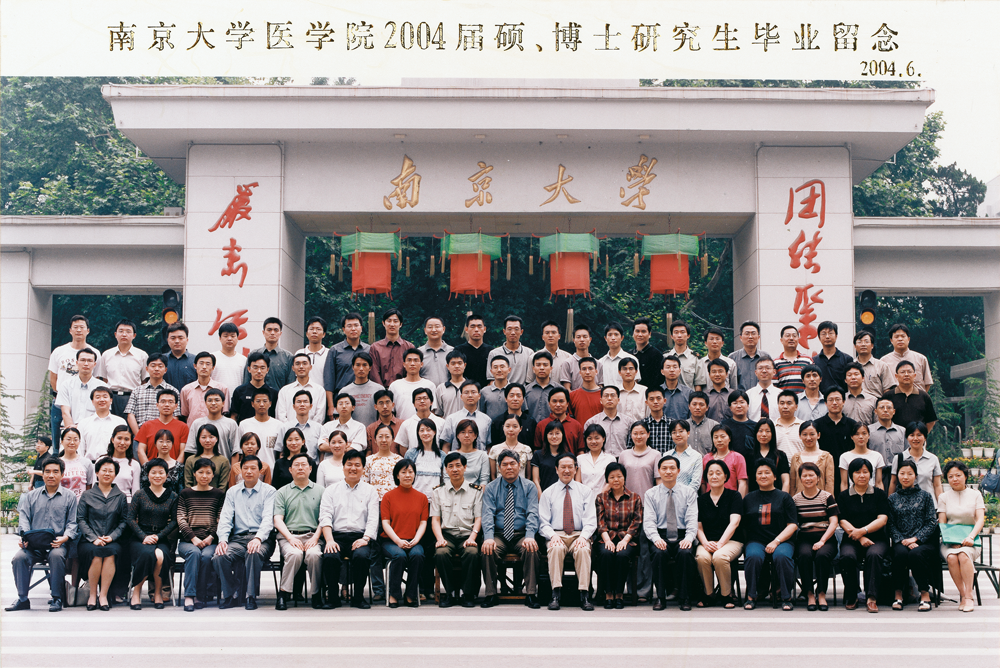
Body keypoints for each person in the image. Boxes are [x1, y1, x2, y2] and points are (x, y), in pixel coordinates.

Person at [6, 457, 78, 612]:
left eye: (55, 472)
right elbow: (24, 519)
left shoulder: (70, 497)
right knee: (19, 558)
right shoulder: (30, 496)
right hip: (33, 545)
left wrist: (65, 538)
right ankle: (23, 599)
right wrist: (24, 538)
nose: (51, 475)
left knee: (56, 556)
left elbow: (73, 523)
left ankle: (57, 598)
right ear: (42, 474)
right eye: (47, 472)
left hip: (57, 544)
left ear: (62, 474)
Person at [213, 455, 277, 610]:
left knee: (253, 553)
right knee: (219, 556)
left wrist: (258, 538)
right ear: (240, 470)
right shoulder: (232, 492)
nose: (249, 471)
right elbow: (225, 518)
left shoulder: (269, 491)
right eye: (245, 468)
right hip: (238, 539)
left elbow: (268, 519)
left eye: (253, 468)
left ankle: (250, 596)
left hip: (262, 539)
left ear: (260, 471)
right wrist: (222, 540)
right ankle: (231, 594)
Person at [318, 448, 379, 609]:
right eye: (349, 464)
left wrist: (365, 539)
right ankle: (333, 597)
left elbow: (373, 519)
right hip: (336, 536)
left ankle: (358, 597)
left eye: (357, 465)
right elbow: (325, 517)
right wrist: (329, 540)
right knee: (330, 556)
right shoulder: (331, 490)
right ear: (343, 466)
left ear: (363, 468)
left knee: (361, 556)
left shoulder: (370, 491)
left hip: (360, 536)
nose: (353, 468)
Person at [480, 450, 541, 609]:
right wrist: (488, 537)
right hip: (499, 534)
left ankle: (531, 594)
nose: (509, 467)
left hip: (521, 534)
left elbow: (533, 513)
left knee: (531, 548)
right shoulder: (491, 488)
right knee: (488, 549)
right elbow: (487, 514)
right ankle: (491, 594)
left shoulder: (529, 486)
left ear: (519, 465)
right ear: (499, 467)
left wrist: (530, 535)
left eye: (513, 463)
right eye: (505, 464)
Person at [538, 453, 596, 611]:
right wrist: (552, 536)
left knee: (583, 550)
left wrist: (583, 537)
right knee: (555, 549)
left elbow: (591, 520)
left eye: (570, 467)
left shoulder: (585, 491)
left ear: (576, 469)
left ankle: (584, 595)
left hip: (579, 534)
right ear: (556, 469)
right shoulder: (548, 492)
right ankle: (555, 594)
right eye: (563, 467)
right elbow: (543, 521)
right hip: (557, 534)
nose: (567, 470)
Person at [741, 459, 798, 610]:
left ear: (775, 476)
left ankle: (785, 597)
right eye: (759, 473)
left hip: (782, 540)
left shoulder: (784, 497)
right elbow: (744, 525)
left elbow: (792, 525)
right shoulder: (748, 498)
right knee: (753, 556)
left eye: (767, 472)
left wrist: (776, 541)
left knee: (782, 556)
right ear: (755, 477)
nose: (763, 476)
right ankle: (751, 596)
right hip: (756, 540)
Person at [644, 455, 699, 610]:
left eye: (672, 468)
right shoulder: (650, 494)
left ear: (678, 471)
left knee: (685, 553)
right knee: (658, 553)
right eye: (664, 468)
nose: (668, 471)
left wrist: (689, 538)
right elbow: (649, 521)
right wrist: (656, 539)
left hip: (682, 535)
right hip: (661, 535)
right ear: (659, 471)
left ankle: (685, 597)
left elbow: (692, 519)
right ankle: (661, 597)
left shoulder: (689, 493)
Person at [273, 452, 326, 610]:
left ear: (310, 469)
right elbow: (277, 519)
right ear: (290, 470)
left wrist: (315, 538)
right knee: (294, 554)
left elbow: (324, 519)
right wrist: (290, 538)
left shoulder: (321, 491)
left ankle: (316, 594)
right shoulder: (282, 492)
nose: (300, 468)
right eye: (296, 465)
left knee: (314, 555)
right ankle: (283, 593)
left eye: (304, 465)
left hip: (313, 535)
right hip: (289, 536)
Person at [837, 458, 891, 612]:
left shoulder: (879, 494)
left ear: (870, 474)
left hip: (877, 539)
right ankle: (852, 595)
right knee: (847, 556)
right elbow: (842, 520)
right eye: (857, 472)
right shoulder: (844, 496)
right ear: (851, 475)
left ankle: (872, 597)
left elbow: (883, 519)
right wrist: (859, 537)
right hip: (852, 539)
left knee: (874, 555)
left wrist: (864, 531)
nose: (862, 475)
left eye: (865, 472)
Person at [430, 451, 483, 608]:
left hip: (468, 534)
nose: (454, 469)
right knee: (441, 553)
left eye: (458, 465)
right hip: (447, 535)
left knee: (472, 553)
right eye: (450, 466)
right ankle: (451, 593)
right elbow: (435, 519)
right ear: (446, 469)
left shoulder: (476, 491)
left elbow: (478, 518)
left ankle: (468, 593)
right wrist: (440, 539)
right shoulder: (438, 491)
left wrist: (472, 538)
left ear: (465, 467)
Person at [888, 460, 941, 612]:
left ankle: (924, 594)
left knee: (916, 554)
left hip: (923, 541)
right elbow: (890, 524)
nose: (906, 477)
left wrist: (916, 538)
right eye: (902, 473)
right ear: (897, 475)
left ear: (916, 476)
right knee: (899, 554)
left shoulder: (925, 496)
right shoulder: (892, 498)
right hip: (901, 541)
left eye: (910, 474)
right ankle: (898, 594)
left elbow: (931, 522)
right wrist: (902, 540)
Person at [77, 457, 128, 610]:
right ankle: (92, 595)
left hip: (112, 540)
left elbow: (124, 521)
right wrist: (93, 538)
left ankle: (103, 595)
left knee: (111, 552)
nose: (107, 473)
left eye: (110, 471)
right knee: (96, 552)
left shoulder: (120, 496)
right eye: (104, 470)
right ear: (97, 473)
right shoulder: (87, 495)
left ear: (115, 474)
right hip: (89, 540)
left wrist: (112, 537)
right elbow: (81, 519)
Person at [126, 458, 178, 610]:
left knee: (161, 556)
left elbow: (174, 521)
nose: (157, 476)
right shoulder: (140, 494)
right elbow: (130, 519)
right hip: (140, 537)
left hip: (161, 538)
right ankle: (136, 591)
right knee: (147, 554)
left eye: (161, 472)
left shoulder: (172, 496)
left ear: (166, 475)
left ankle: (158, 592)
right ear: (148, 475)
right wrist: (143, 536)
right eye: (153, 472)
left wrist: (158, 536)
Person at [176, 457, 226, 611]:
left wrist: (211, 537)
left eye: (208, 473)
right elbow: (180, 518)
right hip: (188, 541)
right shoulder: (185, 493)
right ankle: (189, 596)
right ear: (194, 474)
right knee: (194, 553)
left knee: (206, 556)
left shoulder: (219, 494)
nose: (204, 476)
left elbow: (221, 519)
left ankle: (200, 595)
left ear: (213, 475)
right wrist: (193, 538)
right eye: (201, 472)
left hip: (211, 540)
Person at [617, 420, 659, 602]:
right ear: (631, 435)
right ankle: (629, 588)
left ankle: (644, 591)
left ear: (648, 434)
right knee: (626, 548)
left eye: (642, 433)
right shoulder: (624, 455)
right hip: (625, 507)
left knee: (644, 550)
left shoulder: (655, 455)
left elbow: (658, 483)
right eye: (635, 433)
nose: (639, 436)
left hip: (646, 507)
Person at [938, 460, 986, 613]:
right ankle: (963, 595)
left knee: (964, 555)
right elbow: (942, 523)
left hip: (971, 540)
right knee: (952, 557)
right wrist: (951, 541)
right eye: (950, 476)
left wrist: (970, 537)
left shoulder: (975, 494)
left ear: (965, 476)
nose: (955, 479)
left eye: (958, 475)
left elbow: (980, 519)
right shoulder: (943, 497)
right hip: (949, 541)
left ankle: (969, 596)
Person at [380, 459, 429, 607]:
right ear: (397, 475)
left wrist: (416, 539)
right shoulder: (388, 497)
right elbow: (385, 523)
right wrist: (398, 541)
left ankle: (410, 594)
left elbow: (423, 523)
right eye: (403, 472)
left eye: (410, 472)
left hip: (414, 540)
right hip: (391, 541)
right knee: (399, 555)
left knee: (418, 555)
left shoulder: (422, 498)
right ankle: (394, 594)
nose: (407, 475)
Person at [695, 459, 743, 608]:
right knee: (702, 557)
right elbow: (698, 527)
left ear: (725, 476)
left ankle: (726, 595)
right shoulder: (701, 500)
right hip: (708, 540)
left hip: (731, 541)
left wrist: (721, 543)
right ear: (706, 477)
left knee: (720, 556)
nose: (714, 476)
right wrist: (705, 543)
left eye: (718, 473)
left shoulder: (734, 496)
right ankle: (708, 594)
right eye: (710, 473)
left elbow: (734, 522)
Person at [48, 315, 102, 448]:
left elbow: (97, 378)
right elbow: (53, 377)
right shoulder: (59, 351)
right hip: (61, 401)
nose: (78, 330)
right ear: (70, 330)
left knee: (88, 437)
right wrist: (60, 394)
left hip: (85, 401)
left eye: (82, 327)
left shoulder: (94, 353)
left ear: (88, 330)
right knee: (58, 440)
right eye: (75, 327)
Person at [792, 462, 840, 611]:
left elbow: (834, 522)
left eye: (811, 475)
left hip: (826, 538)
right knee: (804, 555)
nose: (808, 478)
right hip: (804, 538)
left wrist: (822, 540)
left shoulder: (827, 497)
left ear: (818, 478)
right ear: (800, 479)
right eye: (804, 475)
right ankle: (809, 594)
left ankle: (821, 593)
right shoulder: (796, 499)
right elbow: (794, 524)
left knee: (822, 556)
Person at [595, 462, 642, 609]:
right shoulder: (601, 498)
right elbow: (600, 522)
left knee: (622, 555)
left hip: (628, 539)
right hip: (606, 538)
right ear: (607, 479)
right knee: (606, 553)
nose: (616, 480)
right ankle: (609, 594)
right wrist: (607, 540)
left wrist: (625, 540)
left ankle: (619, 594)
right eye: (612, 477)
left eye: (619, 476)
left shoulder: (635, 497)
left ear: (624, 478)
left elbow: (636, 522)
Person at [814, 387, 858, 495]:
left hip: (847, 471)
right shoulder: (817, 425)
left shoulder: (852, 425)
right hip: (823, 472)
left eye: (838, 399)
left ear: (843, 402)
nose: (834, 403)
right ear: (825, 403)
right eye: (831, 400)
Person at [888, 421, 943, 506]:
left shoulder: (933, 459)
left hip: (928, 506)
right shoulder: (899, 458)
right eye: (912, 435)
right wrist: (889, 504)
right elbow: (893, 482)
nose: (915, 438)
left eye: (919, 435)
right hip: (904, 506)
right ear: (907, 437)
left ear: (925, 437)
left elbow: (937, 485)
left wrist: (941, 507)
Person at [55, 349, 108, 433]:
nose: (86, 363)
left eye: (89, 361)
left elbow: (103, 412)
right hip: (70, 430)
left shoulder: (103, 387)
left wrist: (83, 428)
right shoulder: (66, 385)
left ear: (94, 364)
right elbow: (65, 412)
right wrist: (72, 432)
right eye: (82, 360)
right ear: (77, 363)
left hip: (94, 431)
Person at [324, 312, 370, 407]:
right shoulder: (335, 350)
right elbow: (329, 381)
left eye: (356, 325)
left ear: (361, 328)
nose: (353, 329)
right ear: (344, 330)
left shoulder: (369, 350)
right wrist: (331, 406)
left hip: (365, 399)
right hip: (341, 400)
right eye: (349, 326)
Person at [135, 388, 189, 465]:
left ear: (176, 406)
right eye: (163, 402)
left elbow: (182, 451)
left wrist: (175, 468)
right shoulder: (147, 425)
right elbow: (141, 450)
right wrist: (148, 468)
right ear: (157, 405)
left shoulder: (183, 427)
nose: (166, 405)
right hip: (151, 469)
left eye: (170, 402)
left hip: (174, 468)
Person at [881, 361, 937, 432]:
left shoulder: (924, 396)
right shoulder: (888, 396)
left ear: (914, 376)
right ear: (896, 376)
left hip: (915, 437)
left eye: (909, 372)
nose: (906, 374)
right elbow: (881, 418)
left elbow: (931, 421)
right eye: (902, 372)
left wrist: (921, 435)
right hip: (893, 436)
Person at [186, 389, 240, 461]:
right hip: (201, 466)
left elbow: (235, 451)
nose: (213, 403)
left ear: (223, 403)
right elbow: (190, 450)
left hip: (224, 466)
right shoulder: (197, 423)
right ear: (205, 403)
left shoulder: (231, 424)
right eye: (210, 400)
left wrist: (232, 468)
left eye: (217, 400)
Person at [243, 317, 295, 391]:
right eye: (269, 330)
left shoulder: (288, 357)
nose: (272, 333)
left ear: (280, 333)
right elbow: (246, 381)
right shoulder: (253, 354)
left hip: (279, 398)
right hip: (255, 397)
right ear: (263, 332)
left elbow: (290, 385)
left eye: (276, 330)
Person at [237, 388, 285, 468]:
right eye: (258, 401)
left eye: (265, 401)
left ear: (270, 403)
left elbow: (281, 452)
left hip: (271, 469)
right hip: (249, 470)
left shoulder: (279, 425)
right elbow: (240, 452)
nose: (262, 404)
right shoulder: (244, 424)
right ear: (252, 404)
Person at [439, 381, 493, 451]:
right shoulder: (451, 419)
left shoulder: (486, 420)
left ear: (479, 396)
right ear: (461, 397)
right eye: (466, 392)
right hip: (457, 457)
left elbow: (488, 446)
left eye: (473, 392)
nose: (470, 395)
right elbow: (446, 445)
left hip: (480, 457)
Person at [369, 308, 415, 386]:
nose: (392, 324)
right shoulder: (375, 348)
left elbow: (411, 372)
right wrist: (382, 391)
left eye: (395, 321)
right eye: (389, 321)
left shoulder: (409, 347)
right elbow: (374, 373)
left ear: (400, 324)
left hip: (404, 389)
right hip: (380, 390)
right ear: (383, 323)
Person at [179, 352, 230, 423]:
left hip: (215, 428)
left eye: (208, 364)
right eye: (201, 363)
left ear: (213, 367)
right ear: (195, 366)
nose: (204, 367)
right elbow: (185, 414)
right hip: (193, 428)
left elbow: (224, 413)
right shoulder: (186, 390)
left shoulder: (222, 388)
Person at [78, 387, 127, 461]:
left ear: (111, 400)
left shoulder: (120, 422)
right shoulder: (83, 423)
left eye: (105, 397)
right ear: (92, 401)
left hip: (114, 464)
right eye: (98, 397)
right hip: (90, 464)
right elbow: (80, 448)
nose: (101, 400)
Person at [868, 398, 907, 490]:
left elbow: (907, 453)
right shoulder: (868, 431)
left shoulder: (902, 431)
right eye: (882, 407)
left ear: (894, 411)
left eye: (889, 408)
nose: (885, 410)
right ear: (876, 411)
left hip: (898, 475)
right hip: (876, 474)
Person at [880, 323, 933, 391]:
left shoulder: (921, 359)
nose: (900, 339)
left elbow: (927, 384)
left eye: (903, 336)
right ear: (891, 340)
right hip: (893, 397)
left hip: (917, 396)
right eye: (896, 337)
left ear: (908, 339)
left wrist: (919, 396)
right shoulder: (884, 361)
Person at [275, 353, 326, 423]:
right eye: (297, 364)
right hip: (288, 429)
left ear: (310, 367)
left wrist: (310, 428)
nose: (301, 366)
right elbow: (280, 415)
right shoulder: (284, 391)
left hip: (313, 429)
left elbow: (320, 416)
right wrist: (290, 429)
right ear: (293, 368)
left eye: (304, 363)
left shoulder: (319, 390)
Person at [388, 349, 437, 420]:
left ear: (421, 364)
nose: (412, 363)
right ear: (404, 364)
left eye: (416, 360)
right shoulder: (394, 386)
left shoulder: (430, 385)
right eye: (409, 360)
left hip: (424, 426)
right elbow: (391, 412)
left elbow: (432, 411)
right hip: (402, 425)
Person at [789, 421, 835, 496]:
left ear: (818, 435)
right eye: (805, 434)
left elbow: (829, 483)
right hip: (800, 500)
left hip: (821, 500)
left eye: (812, 434)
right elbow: (792, 484)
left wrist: (828, 500)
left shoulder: (827, 457)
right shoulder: (796, 457)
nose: (808, 438)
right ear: (800, 436)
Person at [230, 353, 279, 424]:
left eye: (262, 368)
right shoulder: (239, 391)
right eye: (255, 367)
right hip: (245, 429)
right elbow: (234, 415)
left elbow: (276, 416)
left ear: (267, 370)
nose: (259, 371)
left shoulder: (274, 393)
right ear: (249, 369)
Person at [396, 387, 445, 455]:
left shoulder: (441, 422)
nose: (422, 401)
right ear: (413, 404)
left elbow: (445, 445)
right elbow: (403, 446)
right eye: (418, 399)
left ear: (431, 402)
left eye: (425, 398)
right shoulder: (406, 424)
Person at [534, 386, 583, 454]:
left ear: (567, 404)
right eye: (554, 401)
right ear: (549, 403)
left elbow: (580, 451)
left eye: (561, 401)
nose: (558, 405)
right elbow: (537, 449)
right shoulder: (541, 425)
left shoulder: (576, 425)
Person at [488, 315, 534, 385]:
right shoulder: (494, 353)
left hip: (523, 391)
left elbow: (531, 379)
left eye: (516, 329)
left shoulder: (529, 353)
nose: (513, 332)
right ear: (504, 331)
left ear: (521, 332)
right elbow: (491, 380)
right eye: (509, 329)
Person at [747, 419, 791, 493]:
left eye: (767, 431)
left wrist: (783, 498)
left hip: (776, 496)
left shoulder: (780, 455)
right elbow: (746, 482)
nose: (764, 434)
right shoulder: (749, 456)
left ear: (772, 433)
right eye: (760, 431)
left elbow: (786, 481)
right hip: (754, 496)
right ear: (756, 433)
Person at [585, 385, 630, 456]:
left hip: (622, 459)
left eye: (613, 395)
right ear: (601, 400)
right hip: (600, 459)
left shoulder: (628, 422)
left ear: (618, 400)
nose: (609, 398)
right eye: (606, 396)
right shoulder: (591, 422)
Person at [487, 383, 536, 448]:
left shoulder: (531, 422)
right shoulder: (497, 422)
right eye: (511, 395)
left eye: (518, 396)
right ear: (506, 399)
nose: (515, 399)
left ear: (523, 399)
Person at [702, 425, 747, 496]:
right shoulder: (706, 458)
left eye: (722, 436)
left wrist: (738, 500)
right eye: (716, 437)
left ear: (729, 438)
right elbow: (703, 482)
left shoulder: (738, 457)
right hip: (710, 499)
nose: (719, 440)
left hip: (731, 499)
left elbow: (742, 483)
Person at [840, 423, 886, 491]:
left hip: (872, 493)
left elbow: (879, 483)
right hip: (852, 494)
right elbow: (844, 483)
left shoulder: (877, 456)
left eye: (864, 433)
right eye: (857, 434)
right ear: (852, 437)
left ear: (869, 435)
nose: (861, 437)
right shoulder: (845, 457)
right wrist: (844, 496)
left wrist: (881, 496)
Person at [183, 424, 231, 490]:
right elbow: (188, 483)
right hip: (193, 496)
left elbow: (223, 486)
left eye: (211, 437)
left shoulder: (223, 461)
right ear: (198, 439)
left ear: (216, 439)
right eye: (203, 437)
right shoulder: (190, 460)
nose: (207, 440)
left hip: (216, 496)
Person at [404, 417, 445, 494]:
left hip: (435, 498)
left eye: (428, 430)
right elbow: (405, 477)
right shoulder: (411, 453)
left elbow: (445, 479)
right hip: (415, 497)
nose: (425, 433)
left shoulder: (442, 455)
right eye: (422, 430)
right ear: (418, 433)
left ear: (434, 432)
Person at [560, 324, 605, 391]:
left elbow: (601, 387)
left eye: (585, 337)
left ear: (590, 339)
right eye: (578, 337)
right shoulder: (567, 363)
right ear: (574, 340)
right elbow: (567, 388)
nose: (582, 340)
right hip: (575, 397)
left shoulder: (598, 364)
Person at [532, 420, 573, 495]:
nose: (554, 436)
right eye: (551, 433)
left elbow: (572, 480)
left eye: (557, 433)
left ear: (563, 435)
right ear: (546, 436)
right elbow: (536, 480)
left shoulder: (569, 456)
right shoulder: (538, 455)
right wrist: (542, 498)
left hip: (564, 496)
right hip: (544, 494)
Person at [853, 330, 896, 398]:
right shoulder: (850, 366)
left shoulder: (882, 366)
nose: (863, 344)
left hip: (876, 403)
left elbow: (887, 390)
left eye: (866, 341)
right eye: (859, 342)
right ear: (855, 346)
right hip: (855, 402)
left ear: (872, 345)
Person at [665, 320, 706, 390]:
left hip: (689, 396)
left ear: (688, 335)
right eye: (676, 332)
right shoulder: (665, 357)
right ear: (671, 336)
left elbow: (698, 385)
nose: (679, 335)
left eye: (682, 332)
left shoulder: (696, 359)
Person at [729, 321, 769, 392]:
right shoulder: (732, 358)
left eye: (753, 333)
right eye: (747, 333)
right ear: (741, 337)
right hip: (740, 398)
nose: (750, 337)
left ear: (758, 337)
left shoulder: (766, 356)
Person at [812, 321, 852, 392]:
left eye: (830, 333)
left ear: (836, 336)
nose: (827, 336)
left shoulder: (847, 359)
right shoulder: (814, 361)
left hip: (841, 398)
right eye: (824, 334)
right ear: (819, 337)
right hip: (821, 398)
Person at [665, 420, 703, 493]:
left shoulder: (696, 456)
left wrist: (681, 496)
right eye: (674, 432)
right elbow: (664, 480)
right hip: (669, 497)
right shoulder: (666, 455)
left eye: (681, 431)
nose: (678, 435)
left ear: (688, 433)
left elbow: (695, 483)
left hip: (689, 497)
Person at [210, 322, 248, 396]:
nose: (229, 339)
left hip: (237, 400)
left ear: (237, 338)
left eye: (233, 336)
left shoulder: (243, 360)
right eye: (226, 336)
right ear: (220, 338)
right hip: (216, 400)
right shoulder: (212, 358)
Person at [141, 429, 183, 495]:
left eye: (168, 441)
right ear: (155, 443)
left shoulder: (179, 466)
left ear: (172, 444)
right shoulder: (146, 466)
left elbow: (181, 490)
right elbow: (143, 489)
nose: (164, 444)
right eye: (161, 441)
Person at [599, 322, 640, 389]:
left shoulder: (632, 359)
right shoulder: (600, 362)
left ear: (622, 338)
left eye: (616, 334)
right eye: (610, 335)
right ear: (605, 338)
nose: (613, 338)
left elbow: (635, 384)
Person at [106, 424, 142, 502]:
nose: (122, 443)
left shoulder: (134, 464)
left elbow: (135, 493)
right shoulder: (102, 461)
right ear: (112, 439)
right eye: (119, 438)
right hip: (104, 503)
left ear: (131, 442)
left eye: (126, 439)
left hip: (126, 503)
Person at [773, 325, 813, 393]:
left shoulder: (807, 360)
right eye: (787, 336)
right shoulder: (775, 362)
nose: (791, 338)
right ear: (781, 340)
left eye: (794, 336)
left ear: (798, 339)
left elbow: (813, 383)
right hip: (784, 399)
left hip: (804, 399)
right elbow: (773, 387)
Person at [578, 424, 616, 495]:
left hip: (604, 498)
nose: (593, 441)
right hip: (584, 497)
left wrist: (600, 496)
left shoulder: (610, 459)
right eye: (590, 438)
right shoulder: (580, 459)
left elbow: (611, 481)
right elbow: (578, 483)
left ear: (603, 439)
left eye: (597, 438)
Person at [452, 419, 491, 486]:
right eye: (463, 432)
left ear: (475, 435)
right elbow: (447, 479)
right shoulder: (450, 455)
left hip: (476, 491)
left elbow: (484, 480)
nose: (466, 435)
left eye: (470, 432)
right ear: (457, 435)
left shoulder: (482, 455)